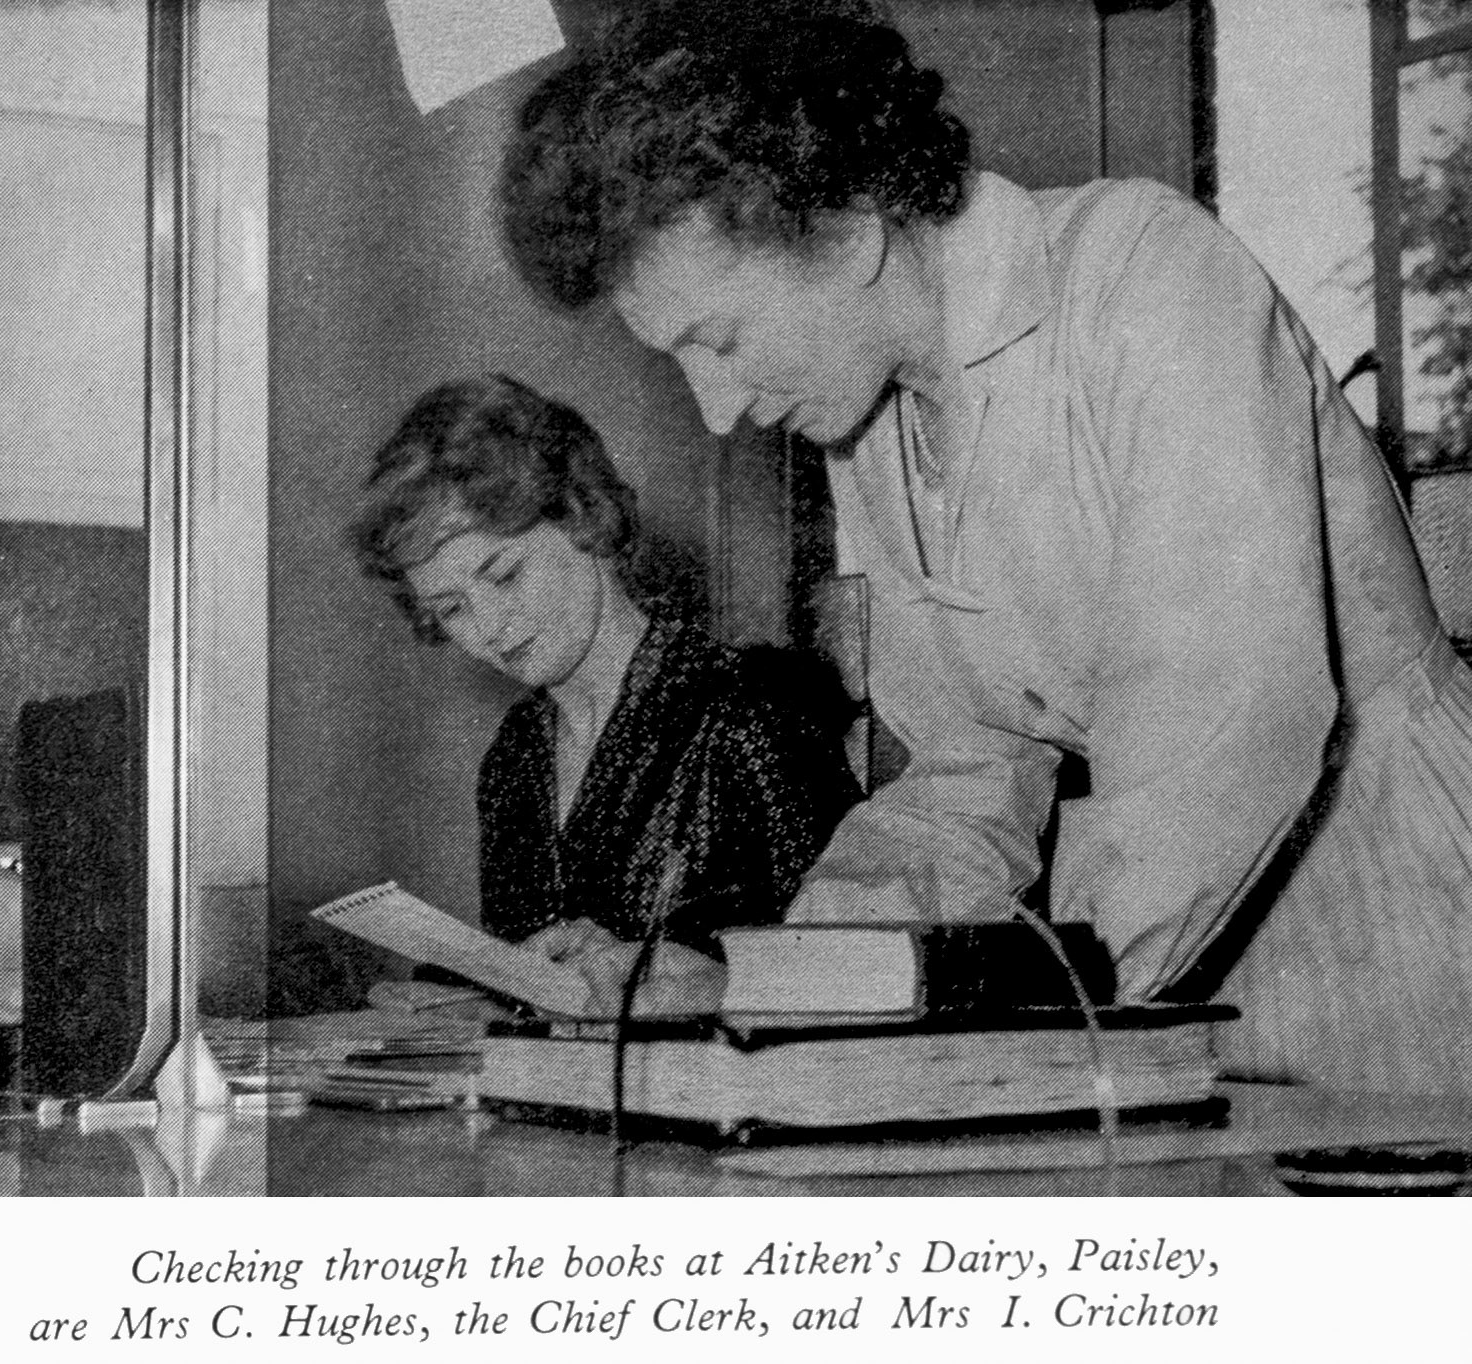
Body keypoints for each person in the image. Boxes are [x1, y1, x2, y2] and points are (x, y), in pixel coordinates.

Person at [497, 0, 1472, 1091]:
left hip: (1395, 894)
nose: (716, 407)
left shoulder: (1146, 278)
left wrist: (1011, 1023)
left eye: (717, 339)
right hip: (1163, 948)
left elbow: (1217, 734)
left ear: (850, 231)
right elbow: (969, 775)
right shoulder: (871, 422)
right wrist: (765, 985)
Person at [353, 374, 858, 1014]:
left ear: (582, 518)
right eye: (451, 609)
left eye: (503, 574)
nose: (489, 628)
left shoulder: (748, 707)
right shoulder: (515, 758)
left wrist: (701, 980)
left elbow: (858, 965)